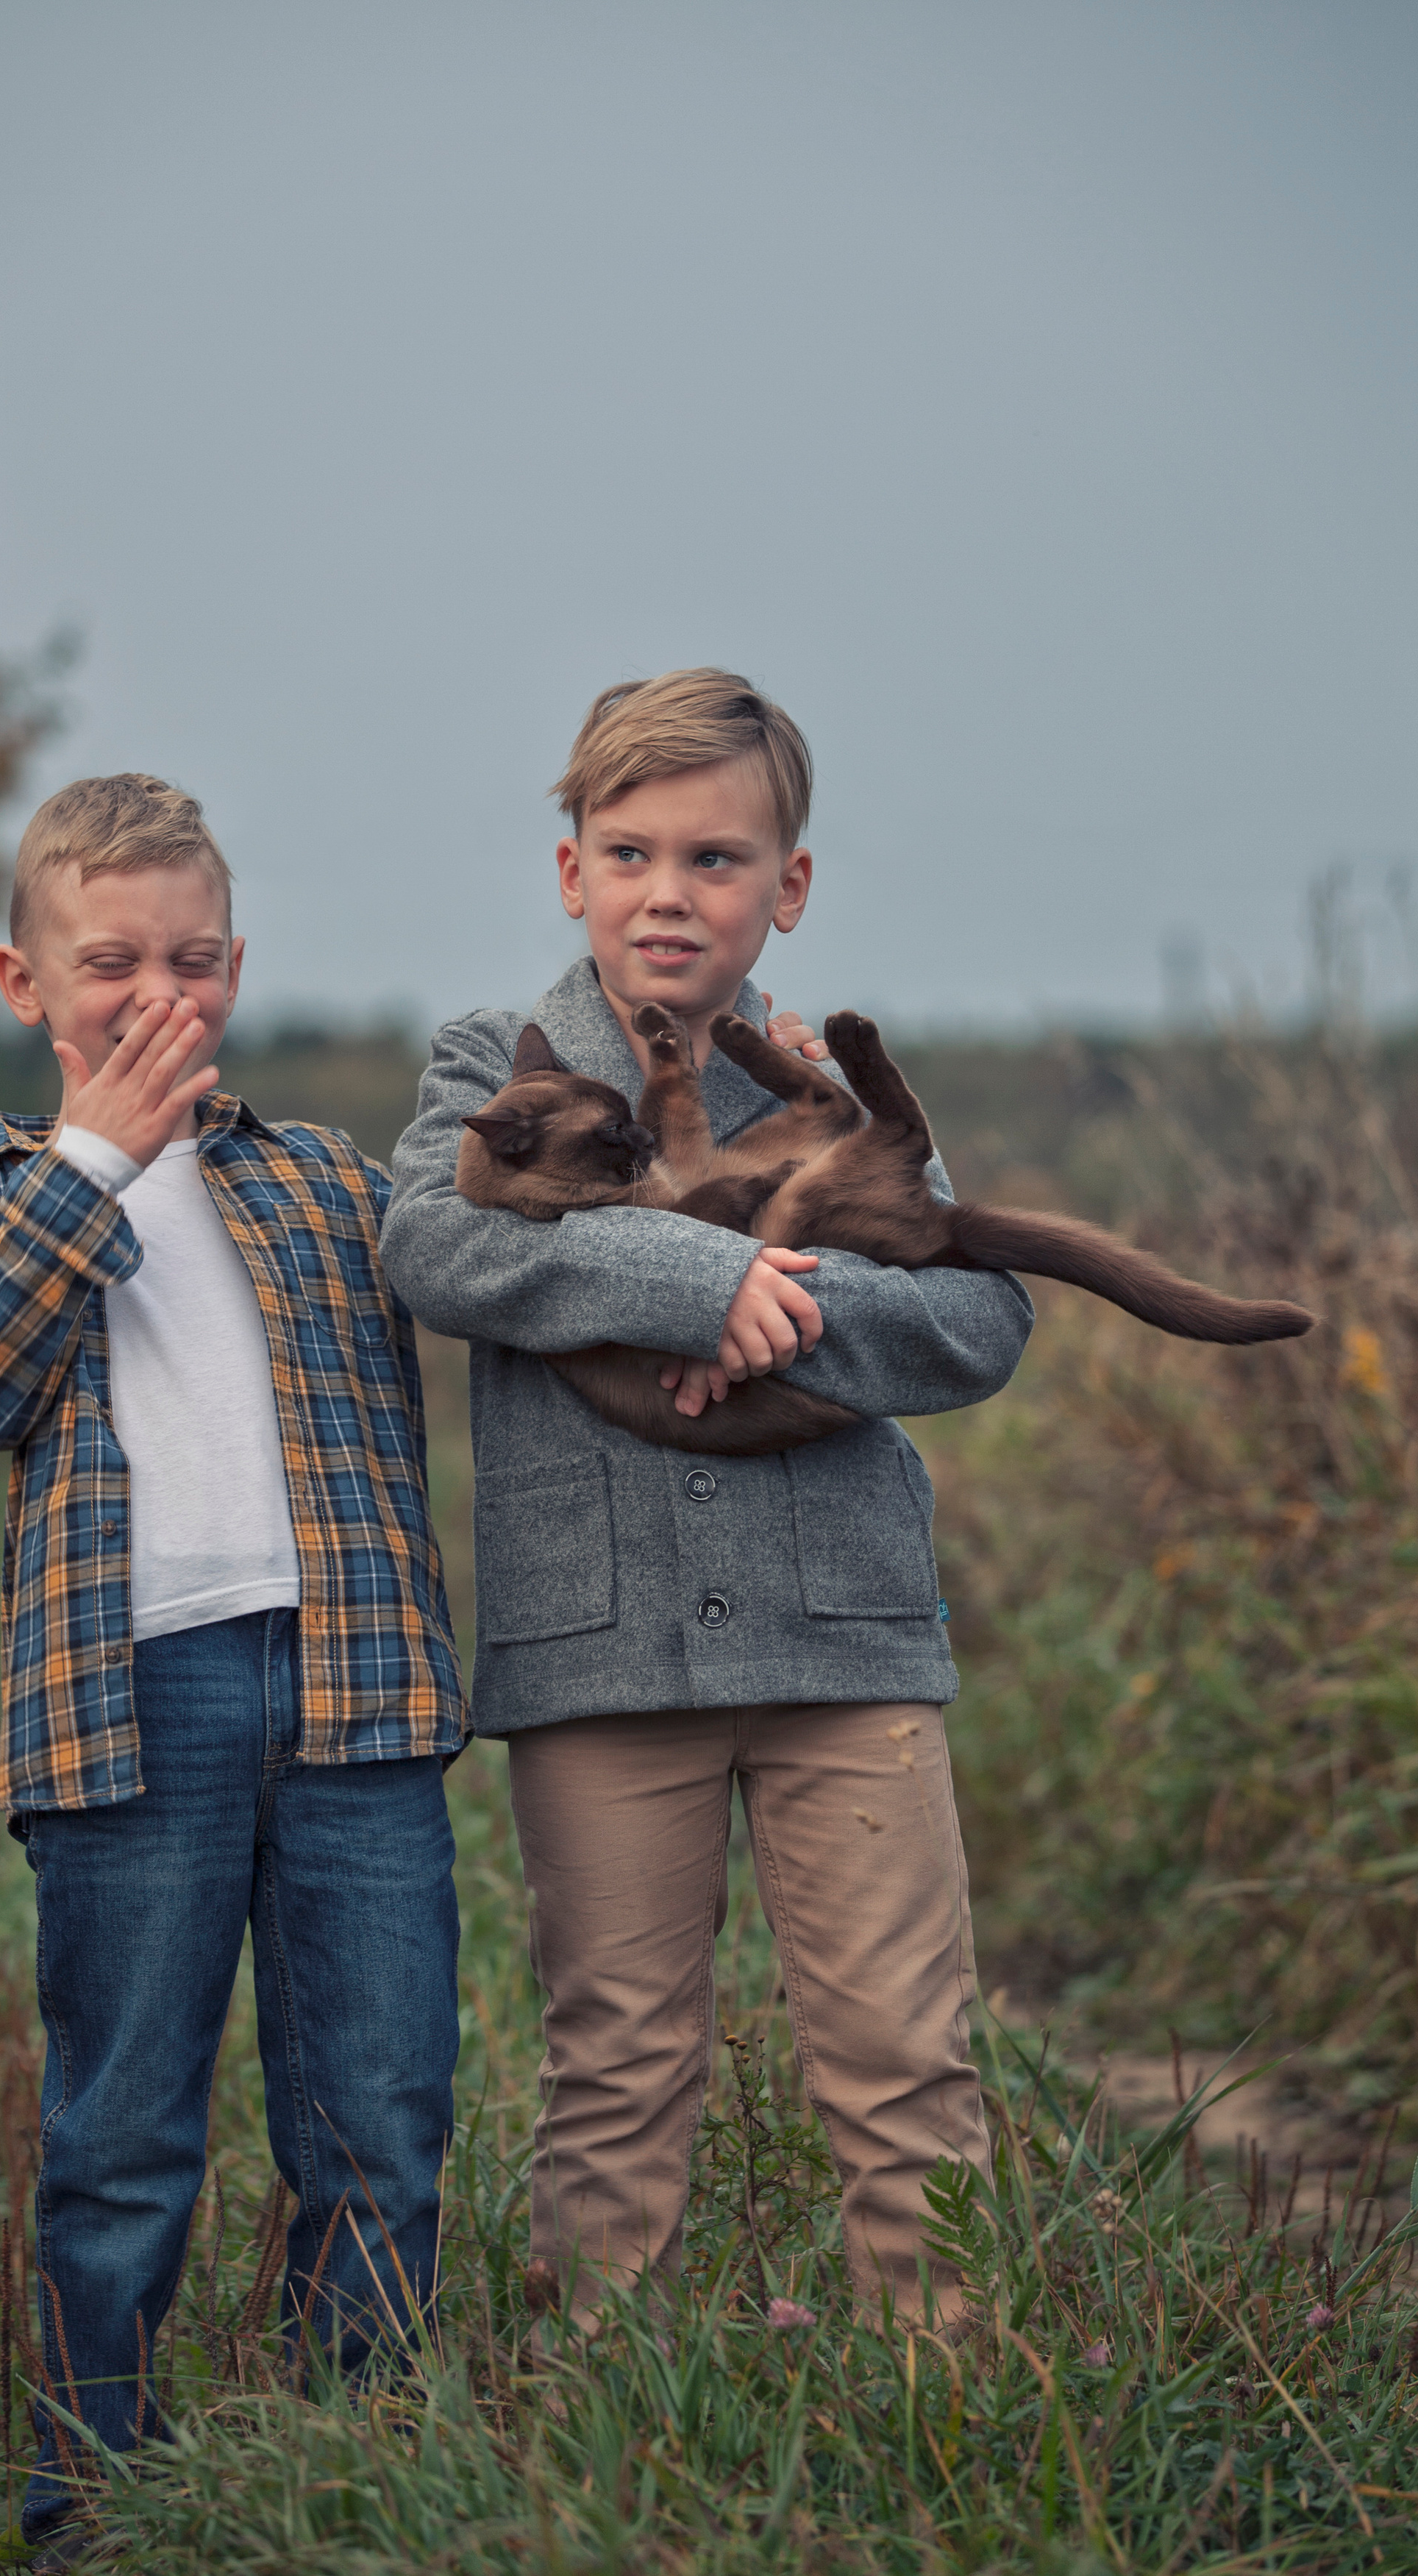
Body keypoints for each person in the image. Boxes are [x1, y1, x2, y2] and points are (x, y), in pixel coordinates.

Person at [380, 671, 1032, 2335]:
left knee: (904, 2047)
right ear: (571, 872)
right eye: (630, 853)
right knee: (615, 2058)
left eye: (716, 858)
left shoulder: (815, 1088)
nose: (668, 892)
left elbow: (976, 1317)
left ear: (786, 888)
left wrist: (784, 1308)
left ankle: (951, 2391)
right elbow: (435, 1242)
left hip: (846, 1644)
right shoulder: (494, 1064)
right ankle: (606, 2403)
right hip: (601, 1654)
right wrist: (693, 1279)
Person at [0, 774, 467, 2561]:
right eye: (111, 961)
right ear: (23, 981)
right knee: (124, 2127)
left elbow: (491, 1284)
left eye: (193, 959)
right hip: (130, 1704)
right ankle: (94, 2492)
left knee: (379, 2111)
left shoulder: (320, 1180)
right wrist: (92, 1161)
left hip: (356, 1685)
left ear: (236, 966)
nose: (157, 994)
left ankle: (354, 2471)